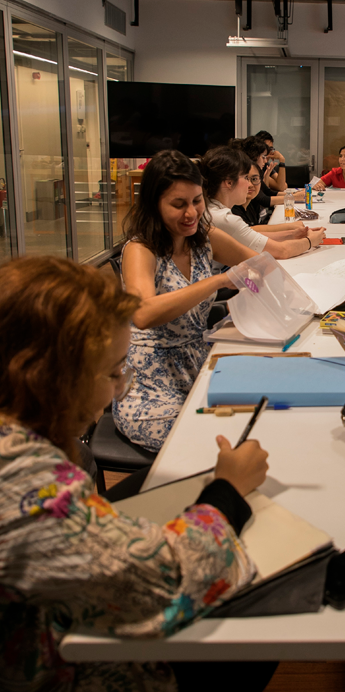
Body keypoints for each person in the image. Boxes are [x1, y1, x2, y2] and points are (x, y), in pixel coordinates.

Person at [0, 255, 275, 692]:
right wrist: (228, 490)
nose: (119, 388)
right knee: (253, 638)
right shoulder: (24, 482)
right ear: (51, 378)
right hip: (71, 670)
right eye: (113, 372)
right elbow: (170, 582)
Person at [113, 150, 259, 452]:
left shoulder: (204, 238)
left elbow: (260, 265)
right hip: (149, 384)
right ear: (154, 205)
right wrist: (219, 280)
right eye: (178, 205)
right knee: (213, 445)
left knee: (255, 421)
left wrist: (252, 292)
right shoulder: (140, 249)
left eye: (196, 201)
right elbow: (143, 314)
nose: (191, 213)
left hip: (196, 363)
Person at [199, 146, 326, 260]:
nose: (249, 185)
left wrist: (293, 234)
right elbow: (282, 251)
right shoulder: (223, 218)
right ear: (229, 182)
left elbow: (251, 235)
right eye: (246, 178)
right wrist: (311, 241)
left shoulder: (212, 208)